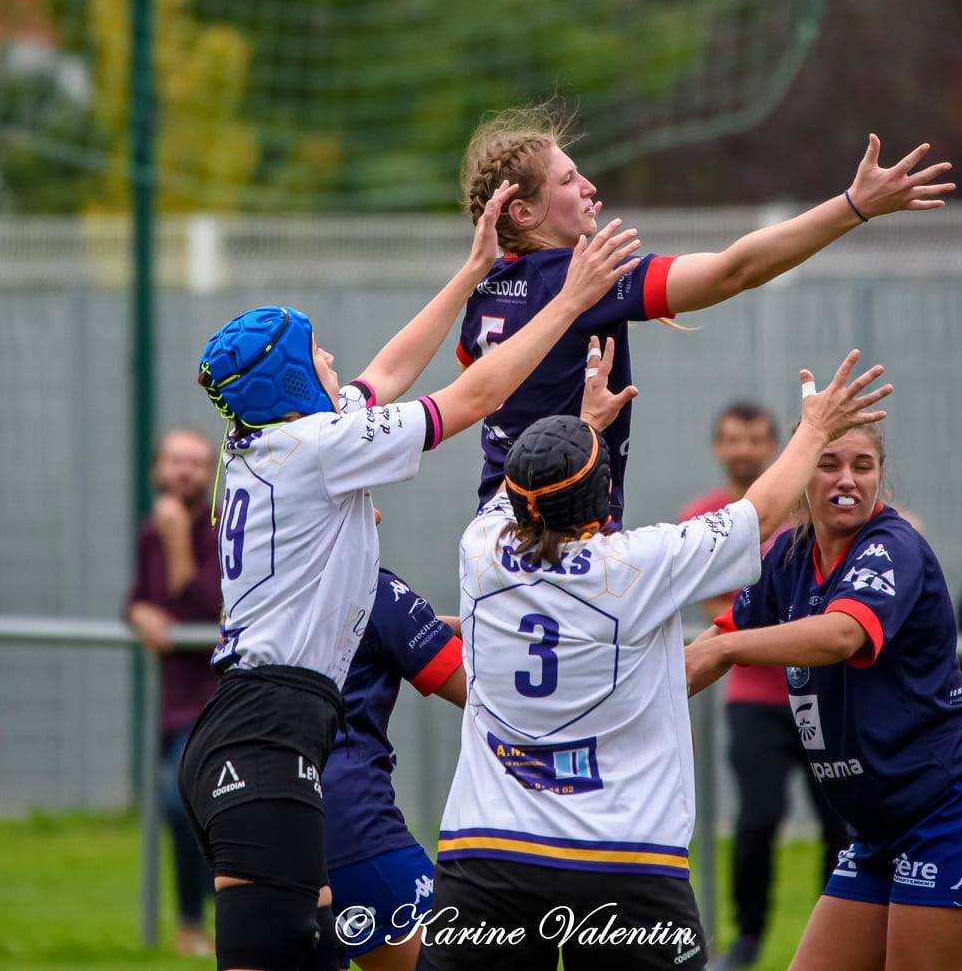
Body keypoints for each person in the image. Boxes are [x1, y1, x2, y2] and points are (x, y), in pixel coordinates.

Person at [179, 192, 642, 971]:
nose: (335, 363)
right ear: (291, 378)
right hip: (267, 733)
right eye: (318, 353)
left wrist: (469, 276)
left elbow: (387, 372)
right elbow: (477, 396)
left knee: (313, 954)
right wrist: (570, 300)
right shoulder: (315, 447)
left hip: (261, 727)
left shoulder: (267, 440)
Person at [423, 350, 894, 971]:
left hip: (489, 858)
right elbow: (758, 518)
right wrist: (814, 426)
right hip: (625, 862)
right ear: (603, 496)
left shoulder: (479, 548)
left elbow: (529, 498)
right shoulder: (641, 565)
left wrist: (582, 426)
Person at [455, 103, 950, 524]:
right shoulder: (579, 279)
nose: (588, 186)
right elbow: (735, 270)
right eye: (567, 179)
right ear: (521, 213)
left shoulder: (486, 289)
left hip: (494, 522)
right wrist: (853, 206)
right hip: (564, 536)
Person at [685, 419, 962, 971]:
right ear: (799, 473)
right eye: (828, 463)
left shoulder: (892, 546)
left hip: (953, 811)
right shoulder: (790, 555)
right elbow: (719, 637)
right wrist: (619, 709)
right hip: (880, 830)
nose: (846, 479)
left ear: (879, 477)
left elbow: (843, 633)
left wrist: (727, 650)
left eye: (862, 466)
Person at [684, 403, 848, 971]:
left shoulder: (810, 511)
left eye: (756, 439)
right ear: (717, 447)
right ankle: (748, 939)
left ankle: (841, 942)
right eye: (733, 439)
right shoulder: (703, 518)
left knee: (841, 824)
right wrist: (807, 623)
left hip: (827, 696)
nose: (745, 450)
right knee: (757, 820)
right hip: (754, 698)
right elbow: (722, 608)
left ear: (777, 444)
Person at [324, 566, 465, 970]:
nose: (377, 513)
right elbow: (487, 699)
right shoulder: (370, 587)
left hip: (247, 809)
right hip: (346, 818)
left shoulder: (256, 588)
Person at [126, 427, 224, 958]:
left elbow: (209, 607)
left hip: (220, 698)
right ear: (157, 472)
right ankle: (193, 925)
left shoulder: (220, 530)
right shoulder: (151, 533)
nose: (184, 471)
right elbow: (143, 599)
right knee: (182, 805)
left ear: (209, 474)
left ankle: (212, 915)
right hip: (175, 701)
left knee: (181, 798)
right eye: (175, 462)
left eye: (195, 463)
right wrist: (139, 612)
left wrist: (178, 544)